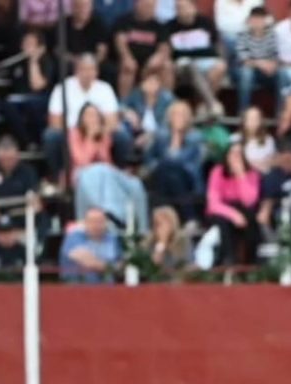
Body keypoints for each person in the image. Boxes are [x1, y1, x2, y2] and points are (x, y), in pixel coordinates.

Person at [45, 53, 130, 183]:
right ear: (76, 71)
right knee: (51, 136)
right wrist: (77, 134)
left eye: (91, 69)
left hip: (99, 132)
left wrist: (96, 132)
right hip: (70, 132)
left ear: (96, 71)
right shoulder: (62, 88)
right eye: (83, 69)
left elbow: (112, 121)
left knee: (122, 135)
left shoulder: (105, 88)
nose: (87, 73)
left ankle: (118, 174)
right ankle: (58, 177)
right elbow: (55, 121)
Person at [0, 135, 42, 269]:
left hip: (21, 220)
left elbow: (36, 204)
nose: (7, 162)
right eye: (3, 159)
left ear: (17, 155)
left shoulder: (27, 171)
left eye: (10, 158)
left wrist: (17, 232)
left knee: (41, 222)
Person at [144, 98, 204, 221]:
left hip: (187, 176)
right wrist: (157, 165)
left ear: (188, 118)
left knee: (172, 170)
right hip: (163, 176)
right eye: (175, 114)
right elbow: (149, 158)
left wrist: (176, 138)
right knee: (169, 173)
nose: (178, 118)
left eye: (182, 115)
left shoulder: (195, 137)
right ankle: (189, 218)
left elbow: (182, 160)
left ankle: (160, 218)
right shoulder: (161, 136)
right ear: (169, 117)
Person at [164, 0, 227, 118]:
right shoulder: (169, 27)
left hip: (204, 61)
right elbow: (169, 52)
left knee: (220, 66)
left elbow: (217, 46)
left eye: (186, 7)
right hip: (181, 64)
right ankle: (212, 103)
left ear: (194, 8)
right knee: (189, 65)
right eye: (179, 8)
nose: (183, 11)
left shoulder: (206, 23)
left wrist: (221, 58)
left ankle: (202, 107)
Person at [205, 140, 261, 264]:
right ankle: (229, 259)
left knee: (251, 220)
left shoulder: (252, 174)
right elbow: (213, 203)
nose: (236, 157)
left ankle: (250, 261)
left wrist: (241, 175)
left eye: (239, 154)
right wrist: (233, 215)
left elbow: (250, 201)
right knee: (224, 222)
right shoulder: (217, 172)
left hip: (244, 209)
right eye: (233, 154)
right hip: (222, 211)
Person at [111, 0, 172, 98]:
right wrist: (127, 57)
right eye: (147, 5)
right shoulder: (124, 21)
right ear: (137, 4)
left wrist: (157, 59)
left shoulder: (159, 25)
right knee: (128, 67)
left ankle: (167, 101)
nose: (151, 9)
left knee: (167, 66)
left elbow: (164, 48)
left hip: (150, 62)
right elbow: (120, 41)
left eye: (153, 6)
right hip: (131, 59)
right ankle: (124, 103)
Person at [235, 5, 283, 113]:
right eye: (254, 18)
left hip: (267, 72)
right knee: (246, 73)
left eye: (260, 19)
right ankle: (243, 112)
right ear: (249, 20)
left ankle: (280, 112)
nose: (257, 22)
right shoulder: (242, 35)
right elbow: (244, 60)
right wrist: (261, 64)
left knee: (283, 74)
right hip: (246, 71)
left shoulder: (272, 35)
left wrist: (273, 65)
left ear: (265, 20)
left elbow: (276, 56)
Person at [59, 206, 122, 281]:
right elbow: (89, 262)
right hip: (77, 289)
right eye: (92, 221)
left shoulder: (112, 239)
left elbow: (121, 264)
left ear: (106, 223)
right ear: (85, 223)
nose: (96, 225)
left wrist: (116, 267)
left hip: (108, 289)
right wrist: (111, 268)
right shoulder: (74, 237)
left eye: (100, 221)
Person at [147, 203, 192, 276]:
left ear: (172, 224)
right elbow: (152, 267)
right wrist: (161, 243)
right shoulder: (149, 242)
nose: (158, 228)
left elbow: (185, 264)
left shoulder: (183, 241)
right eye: (156, 224)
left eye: (161, 224)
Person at [238, 104, 277, 172]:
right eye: (250, 118)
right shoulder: (235, 139)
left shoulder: (269, 140)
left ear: (261, 121)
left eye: (256, 118)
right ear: (244, 121)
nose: (253, 122)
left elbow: (271, 163)